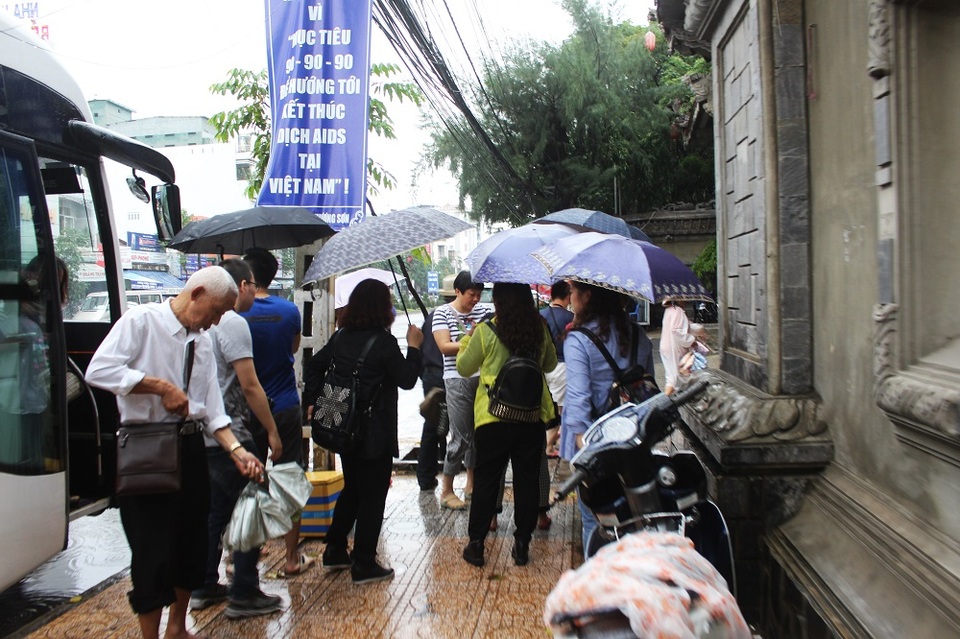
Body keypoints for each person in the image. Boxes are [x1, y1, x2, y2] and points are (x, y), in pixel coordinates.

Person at [84, 266, 264, 639]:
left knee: (193, 540)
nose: (215, 323)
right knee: (152, 548)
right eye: (214, 311)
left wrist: (236, 450)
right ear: (196, 293)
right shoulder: (140, 322)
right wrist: (156, 386)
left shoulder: (201, 340)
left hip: (189, 446)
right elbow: (98, 371)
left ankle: (178, 626)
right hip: (146, 445)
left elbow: (212, 406)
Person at [303, 279, 423, 583]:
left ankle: (335, 549)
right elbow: (407, 378)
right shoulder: (383, 343)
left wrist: (314, 401)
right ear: (381, 307)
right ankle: (364, 562)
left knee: (354, 489)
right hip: (374, 432)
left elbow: (314, 366)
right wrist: (414, 347)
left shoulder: (341, 336)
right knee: (373, 495)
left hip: (344, 428)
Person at [190, 259, 284, 618]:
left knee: (215, 512)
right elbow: (249, 384)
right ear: (242, 286)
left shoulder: (198, 322)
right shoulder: (231, 322)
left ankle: (202, 583)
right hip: (234, 435)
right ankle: (244, 589)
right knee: (251, 508)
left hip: (204, 434)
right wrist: (272, 430)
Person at [457, 282, 557, 568]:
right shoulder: (537, 327)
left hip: (492, 417)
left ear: (498, 301)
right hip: (530, 416)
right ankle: (522, 545)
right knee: (526, 480)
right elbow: (549, 365)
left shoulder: (487, 330)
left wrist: (468, 338)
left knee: (487, 479)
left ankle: (476, 545)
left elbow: (464, 367)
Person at [560, 281, 655, 554]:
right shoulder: (638, 335)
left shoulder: (579, 339)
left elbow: (578, 403)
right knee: (637, 523)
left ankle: (601, 589)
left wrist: (586, 455)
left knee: (597, 523)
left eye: (574, 292)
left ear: (587, 295)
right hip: (636, 444)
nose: (571, 297)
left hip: (596, 447)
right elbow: (647, 390)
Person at [240, 247, 312, 577]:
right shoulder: (288, 310)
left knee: (245, 484)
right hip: (283, 406)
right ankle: (292, 557)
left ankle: (239, 557)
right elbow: (295, 348)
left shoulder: (235, 313)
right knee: (289, 480)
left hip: (245, 411)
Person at [432, 270, 493, 510]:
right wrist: (470, 338)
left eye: (479, 294)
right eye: (471, 294)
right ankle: (446, 489)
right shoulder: (443, 313)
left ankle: (471, 484)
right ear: (457, 292)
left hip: (482, 378)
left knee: (477, 435)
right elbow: (444, 346)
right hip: (456, 379)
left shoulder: (483, 312)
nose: (476, 299)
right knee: (460, 436)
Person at [416, 275, 455, 491]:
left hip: (430, 375)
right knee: (442, 426)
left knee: (433, 426)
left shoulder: (432, 316)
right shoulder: (451, 317)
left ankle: (426, 476)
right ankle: (427, 475)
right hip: (444, 375)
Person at [539, 280, 573, 457]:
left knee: (548, 408)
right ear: (568, 297)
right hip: (563, 367)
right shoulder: (571, 319)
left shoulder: (541, 315)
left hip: (544, 368)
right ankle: (548, 446)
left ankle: (552, 444)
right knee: (561, 411)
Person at [658, 298, 695, 395]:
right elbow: (677, 331)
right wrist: (691, 340)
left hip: (665, 346)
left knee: (670, 376)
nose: (685, 300)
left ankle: (667, 402)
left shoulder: (669, 309)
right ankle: (662, 404)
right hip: (673, 348)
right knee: (673, 379)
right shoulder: (677, 311)